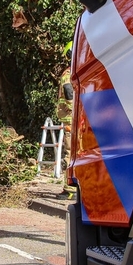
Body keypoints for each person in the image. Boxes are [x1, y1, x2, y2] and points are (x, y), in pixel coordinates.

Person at [55, 41, 76, 199]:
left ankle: (70, 190)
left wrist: (72, 109)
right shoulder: (79, 72)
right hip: (77, 119)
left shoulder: (68, 74)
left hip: (70, 120)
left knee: (69, 153)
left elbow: (69, 92)